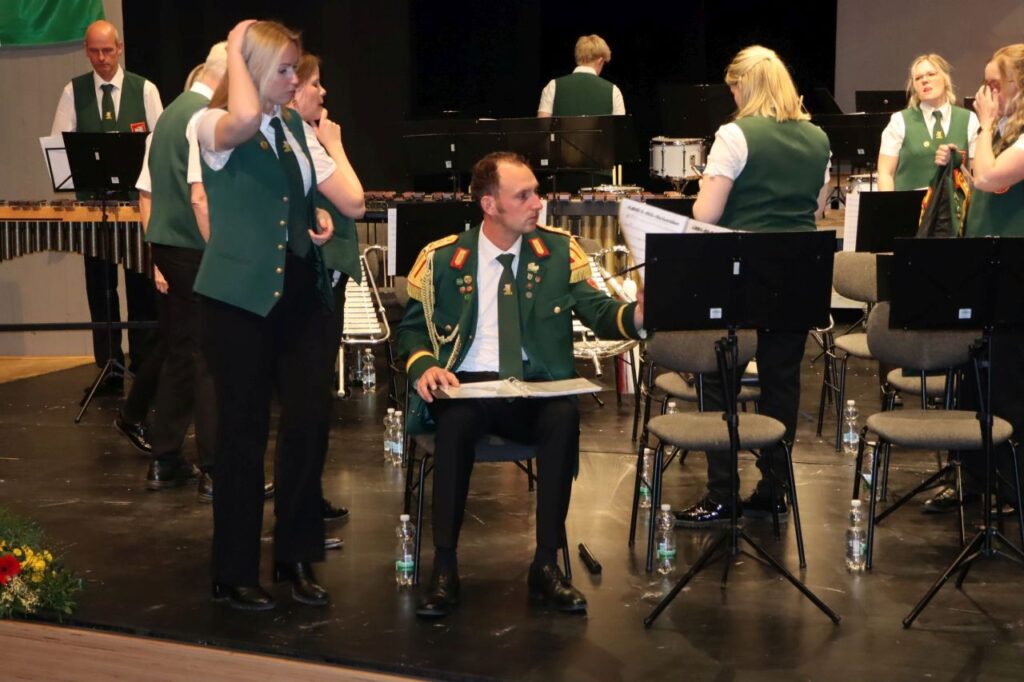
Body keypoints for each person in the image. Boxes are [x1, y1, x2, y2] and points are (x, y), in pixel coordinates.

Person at [396, 151, 644, 618]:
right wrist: (424, 365)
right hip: (468, 383)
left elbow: (599, 313)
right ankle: (444, 567)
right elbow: (411, 330)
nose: (538, 203)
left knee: (563, 416)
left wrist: (638, 315)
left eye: (537, 192)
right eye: (524, 195)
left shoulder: (559, 254)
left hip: (534, 385)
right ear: (489, 205)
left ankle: (546, 564)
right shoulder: (443, 258)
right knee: (455, 423)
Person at [195, 19, 337, 611]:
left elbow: (301, 193)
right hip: (239, 299)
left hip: (299, 290)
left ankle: (295, 556)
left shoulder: (293, 128)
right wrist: (235, 46)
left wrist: (313, 219)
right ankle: (234, 571)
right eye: (282, 69)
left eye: (295, 68)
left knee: (308, 423)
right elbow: (245, 118)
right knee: (243, 433)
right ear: (252, 70)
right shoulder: (211, 123)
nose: (294, 79)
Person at [675, 45, 830, 527]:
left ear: (746, 86)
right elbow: (817, 207)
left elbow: (707, 213)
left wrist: (704, 189)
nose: (734, 98)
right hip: (800, 269)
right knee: (782, 382)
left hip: (743, 269)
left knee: (718, 378)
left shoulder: (734, 134)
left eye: (734, 89)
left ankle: (722, 492)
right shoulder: (818, 137)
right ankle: (774, 489)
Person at [124, 43, 227, 494]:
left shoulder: (166, 116)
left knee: (182, 350)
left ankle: (165, 458)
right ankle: (216, 468)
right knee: (210, 356)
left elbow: (146, 191)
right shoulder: (205, 118)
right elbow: (201, 196)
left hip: (167, 245)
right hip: (197, 246)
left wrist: (155, 255)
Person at [928, 44, 1024, 515]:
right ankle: (971, 475)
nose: (985, 94)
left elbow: (991, 178)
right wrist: (960, 160)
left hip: (1015, 273)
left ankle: (1008, 486)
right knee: (974, 378)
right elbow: (981, 177)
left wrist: (982, 128)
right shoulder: (1004, 132)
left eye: (994, 84)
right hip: (985, 267)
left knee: (1007, 382)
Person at [51, 19, 163, 392]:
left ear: (119, 49)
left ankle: (144, 367)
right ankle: (109, 368)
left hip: (136, 210)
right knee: (100, 290)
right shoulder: (73, 91)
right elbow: (59, 147)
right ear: (86, 51)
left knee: (141, 289)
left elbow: (162, 146)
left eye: (108, 51)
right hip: (93, 210)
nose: (101, 58)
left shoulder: (145, 90)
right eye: (95, 51)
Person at [289, 52, 366, 522]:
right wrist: (335, 144)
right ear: (294, 89)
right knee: (310, 395)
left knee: (311, 395)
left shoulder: (299, 136)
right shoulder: (307, 139)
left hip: (317, 278)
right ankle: (303, 501)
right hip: (313, 282)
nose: (323, 92)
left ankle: (306, 495)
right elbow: (355, 202)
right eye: (315, 83)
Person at [877, 54, 979, 191]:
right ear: (914, 86)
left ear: (945, 79)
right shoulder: (899, 121)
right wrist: (888, 203)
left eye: (931, 74)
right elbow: (885, 174)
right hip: (910, 203)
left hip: (956, 203)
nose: (924, 80)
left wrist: (956, 161)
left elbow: (977, 177)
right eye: (918, 78)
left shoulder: (969, 119)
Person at [537, 34, 625, 117]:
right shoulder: (613, 91)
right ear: (600, 61)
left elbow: (543, 125)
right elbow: (620, 127)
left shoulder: (553, 86)